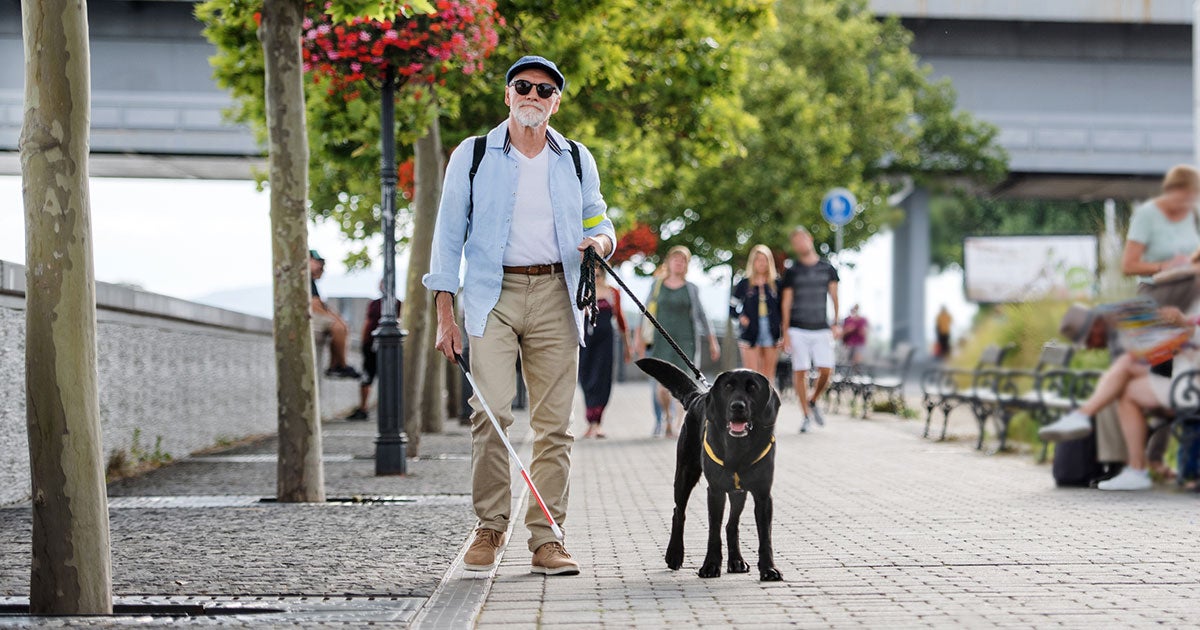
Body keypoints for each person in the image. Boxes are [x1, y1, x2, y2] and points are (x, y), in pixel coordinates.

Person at [423, 56, 615, 576]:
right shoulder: (474, 154)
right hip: (492, 294)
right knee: (490, 414)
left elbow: (600, 218)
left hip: (558, 291)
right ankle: (490, 525)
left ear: (556, 102)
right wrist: (445, 313)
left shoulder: (575, 158)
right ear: (508, 95)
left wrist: (599, 240)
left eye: (545, 89)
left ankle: (547, 538)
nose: (533, 94)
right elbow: (446, 238)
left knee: (555, 425)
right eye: (523, 86)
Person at [635, 245, 720, 438]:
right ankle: (666, 416)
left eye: (683, 260)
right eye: (676, 259)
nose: (679, 263)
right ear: (669, 262)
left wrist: (712, 340)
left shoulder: (691, 288)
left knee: (685, 383)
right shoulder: (657, 285)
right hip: (661, 341)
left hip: (686, 341)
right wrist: (638, 339)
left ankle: (679, 424)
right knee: (662, 387)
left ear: (687, 265)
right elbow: (645, 312)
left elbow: (702, 315)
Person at [780, 227, 840, 433]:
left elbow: (834, 297)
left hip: (821, 327)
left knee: (826, 369)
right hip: (797, 328)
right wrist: (785, 332)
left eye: (802, 239)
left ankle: (813, 400)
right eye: (795, 241)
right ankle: (805, 415)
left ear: (810, 239)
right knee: (801, 370)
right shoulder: (792, 271)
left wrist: (836, 322)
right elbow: (786, 303)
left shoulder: (828, 268)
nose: (799, 244)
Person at [1121, 165, 1200, 283]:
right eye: (1182, 199)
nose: (1185, 206)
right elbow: (1128, 267)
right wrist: (1165, 266)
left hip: (1190, 281)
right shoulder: (1146, 215)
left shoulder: (1194, 213)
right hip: (1157, 287)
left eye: (1190, 200)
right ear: (1169, 190)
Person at [578, 263, 630, 438]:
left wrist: (627, 346)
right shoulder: (582, 290)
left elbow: (621, 320)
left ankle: (597, 423)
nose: (595, 273)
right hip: (585, 341)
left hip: (605, 342)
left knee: (602, 378)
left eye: (598, 270)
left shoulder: (612, 292)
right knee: (586, 377)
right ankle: (589, 419)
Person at [346, 280, 402, 421]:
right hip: (370, 345)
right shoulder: (374, 303)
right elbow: (367, 322)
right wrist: (364, 342)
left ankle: (391, 410)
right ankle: (363, 408)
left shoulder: (398, 304)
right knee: (367, 376)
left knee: (390, 378)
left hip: (390, 346)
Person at [730, 244, 783, 378]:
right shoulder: (744, 284)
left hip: (771, 332)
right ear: (753, 262)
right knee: (751, 373)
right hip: (750, 331)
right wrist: (741, 317)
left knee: (768, 374)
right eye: (758, 259)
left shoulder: (776, 284)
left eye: (764, 259)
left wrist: (782, 329)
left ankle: (767, 399)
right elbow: (731, 307)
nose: (761, 263)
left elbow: (783, 308)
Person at [309, 250, 361, 379]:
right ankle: (341, 366)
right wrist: (335, 319)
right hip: (308, 316)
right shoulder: (304, 278)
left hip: (315, 315)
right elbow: (314, 305)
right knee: (338, 327)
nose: (321, 267)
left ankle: (336, 365)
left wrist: (337, 317)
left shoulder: (311, 281)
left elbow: (321, 304)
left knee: (341, 326)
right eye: (318, 262)